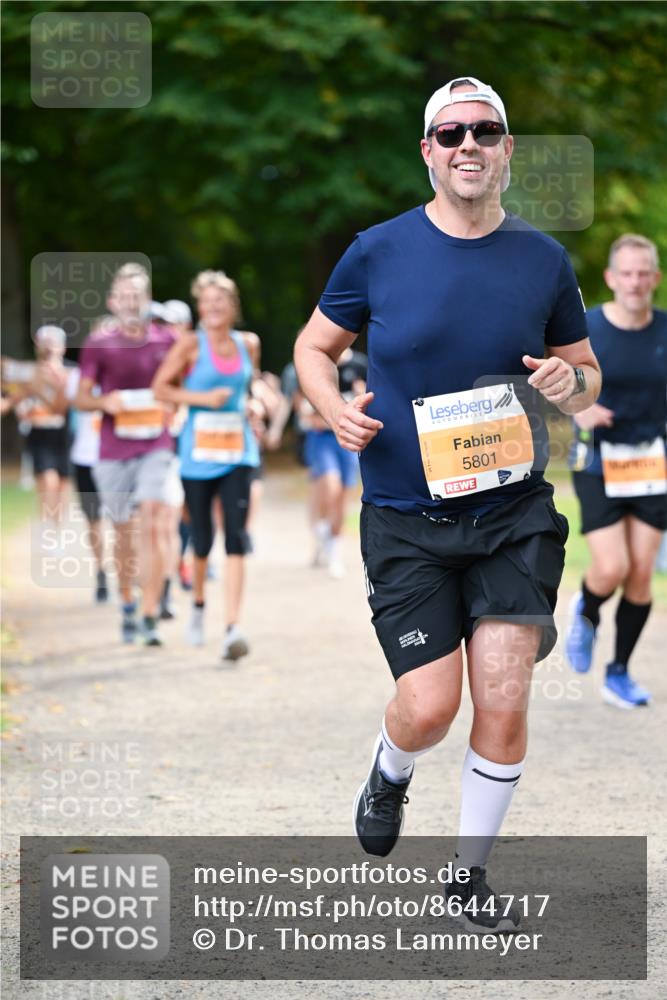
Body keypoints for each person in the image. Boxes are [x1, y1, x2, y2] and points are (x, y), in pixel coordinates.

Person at [295, 76, 601, 932]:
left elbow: (586, 379)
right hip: (405, 518)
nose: (468, 145)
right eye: (450, 132)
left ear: (506, 150)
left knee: (501, 693)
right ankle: (391, 767)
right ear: (427, 151)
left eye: (485, 131)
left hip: (511, 515)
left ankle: (467, 878)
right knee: (430, 707)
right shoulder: (377, 251)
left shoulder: (542, 259)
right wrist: (331, 407)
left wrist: (565, 380)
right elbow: (314, 348)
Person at [565, 234, 666, 707]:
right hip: (597, 461)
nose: (635, 281)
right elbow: (547, 380)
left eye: (643, 272)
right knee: (612, 567)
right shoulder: (586, 329)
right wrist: (576, 408)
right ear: (610, 278)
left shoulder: (664, 330)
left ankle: (619, 673)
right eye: (626, 272)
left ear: (656, 278)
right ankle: (585, 610)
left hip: (651, 463)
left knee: (642, 573)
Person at [152, 270, 260, 661]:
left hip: (238, 451)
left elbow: (249, 387)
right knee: (201, 540)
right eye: (207, 301)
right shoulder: (188, 345)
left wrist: (254, 404)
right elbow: (160, 388)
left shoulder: (248, 343)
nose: (214, 308)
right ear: (200, 307)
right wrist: (199, 398)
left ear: (233, 306)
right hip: (198, 455)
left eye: (221, 301)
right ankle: (197, 605)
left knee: (235, 537)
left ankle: (232, 627)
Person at [75, 263, 178, 646]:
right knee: (124, 533)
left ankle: (151, 612)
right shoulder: (99, 345)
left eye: (138, 295)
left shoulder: (167, 341)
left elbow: (184, 386)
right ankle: (127, 601)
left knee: (152, 518)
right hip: (112, 450)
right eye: (124, 296)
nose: (131, 302)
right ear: (112, 302)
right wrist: (107, 402)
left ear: (147, 299)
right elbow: (81, 399)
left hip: (156, 444)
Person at [300, 348, 367, 577]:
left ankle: (333, 549)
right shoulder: (317, 362)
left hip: (348, 442)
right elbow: (307, 414)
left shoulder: (360, 365)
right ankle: (322, 532)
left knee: (341, 497)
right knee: (330, 486)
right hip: (323, 440)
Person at [13, 326, 71, 525]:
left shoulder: (70, 373)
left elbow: (68, 405)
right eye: (44, 344)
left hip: (65, 434)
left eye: (53, 344)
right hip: (39, 433)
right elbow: (15, 400)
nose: (48, 349)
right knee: (48, 481)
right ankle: (48, 527)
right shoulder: (28, 373)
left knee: (62, 485)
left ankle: (58, 526)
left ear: (62, 348)